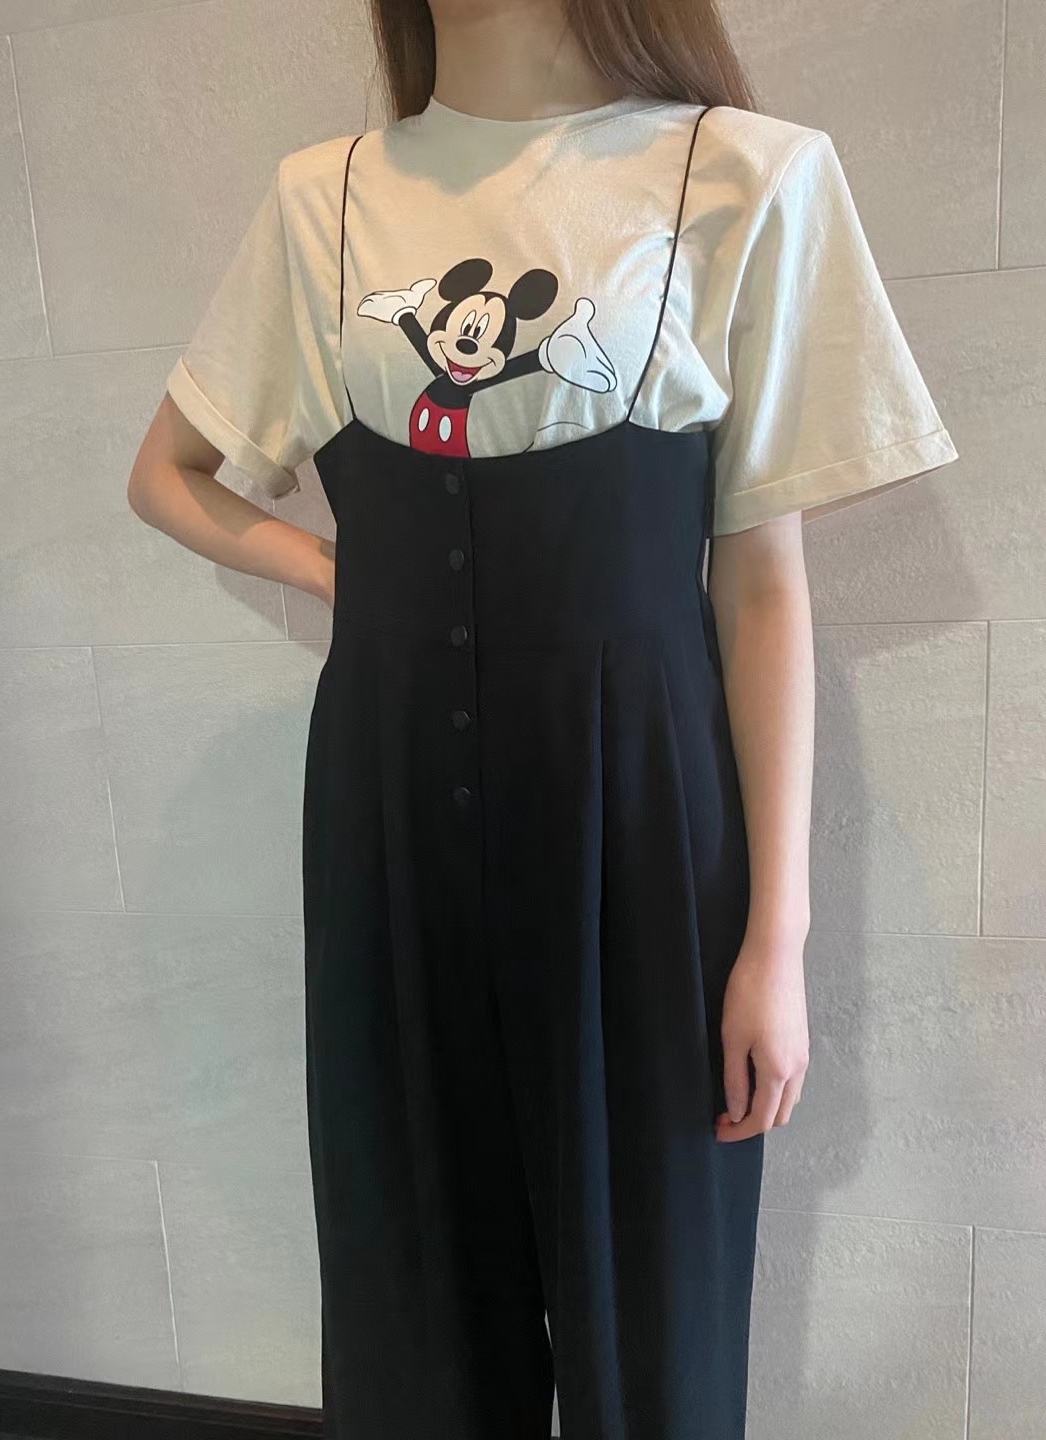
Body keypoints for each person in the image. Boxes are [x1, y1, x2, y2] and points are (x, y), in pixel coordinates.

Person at [127, 1, 958, 1436]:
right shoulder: (324, 199)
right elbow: (169, 473)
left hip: (646, 828)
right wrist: (336, 571)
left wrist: (776, 944)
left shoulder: (747, 175)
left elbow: (763, 589)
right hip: (392, 823)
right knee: (416, 1309)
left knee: (658, 1322)